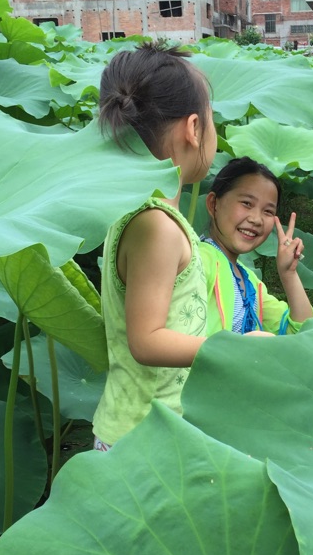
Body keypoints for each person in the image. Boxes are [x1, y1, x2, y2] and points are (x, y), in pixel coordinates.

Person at [91, 43, 218, 450]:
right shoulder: (155, 226)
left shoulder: (136, 210)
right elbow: (146, 340)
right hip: (141, 439)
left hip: (151, 428)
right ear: (193, 128)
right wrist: (231, 350)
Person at [200, 157, 313, 336]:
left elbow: (302, 333)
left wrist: (289, 274)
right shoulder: (197, 261)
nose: (256, 219)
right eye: (247, 203)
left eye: (268, 211)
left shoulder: (250, 282)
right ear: (213, 204)